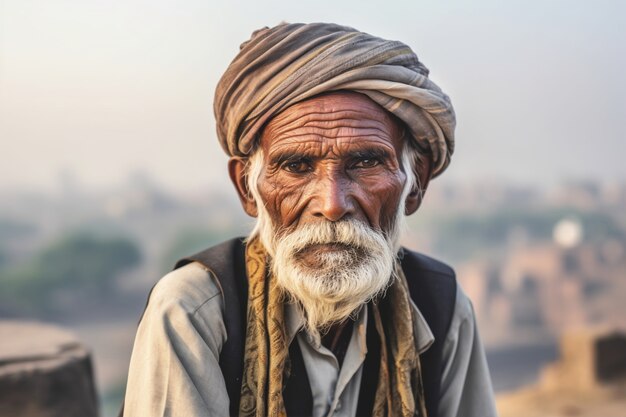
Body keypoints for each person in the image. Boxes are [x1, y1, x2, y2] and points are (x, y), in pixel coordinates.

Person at [122, 22, 497, 417]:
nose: (332, 205)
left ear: (416, 183)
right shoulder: (193, 311)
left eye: (366, 162)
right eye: (297, 166)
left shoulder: (440, 306)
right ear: (248, 190)